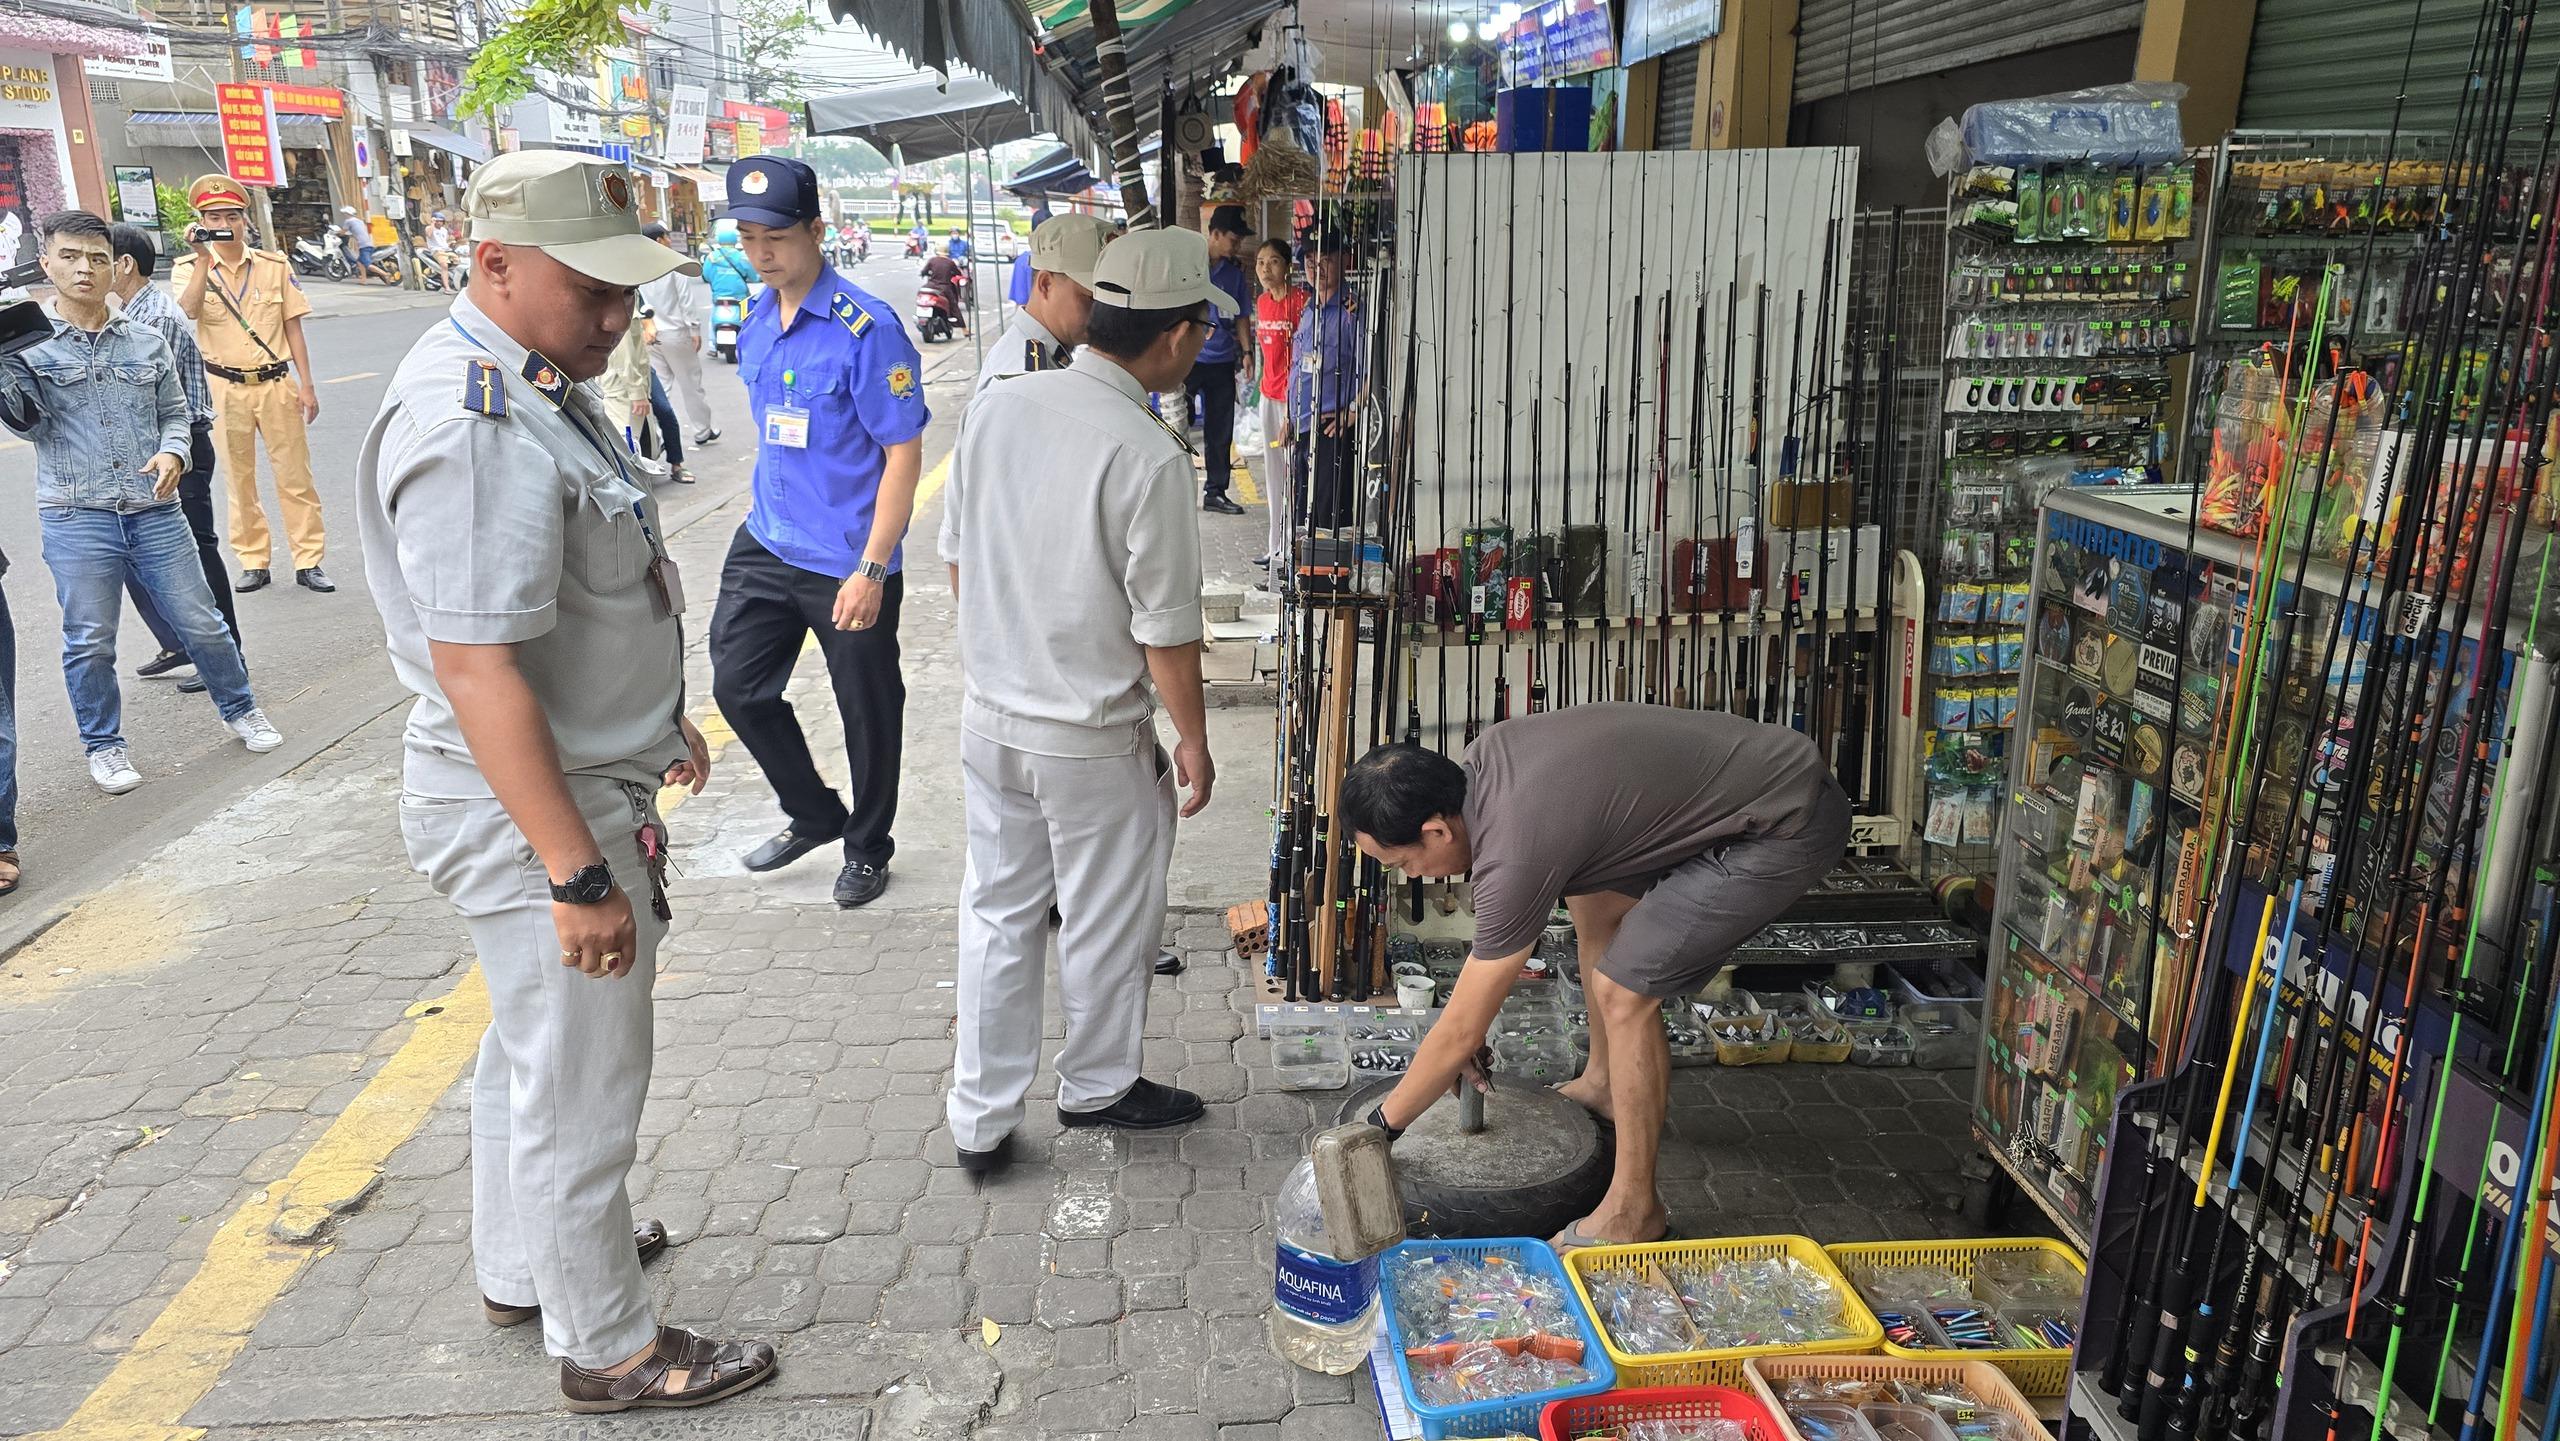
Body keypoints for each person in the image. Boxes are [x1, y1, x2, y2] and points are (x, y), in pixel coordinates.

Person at [355, 149, 775, 1414]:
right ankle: (608, 1343)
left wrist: (661, 728)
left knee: (528, 1056)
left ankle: (524, 1266)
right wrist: (577, 871)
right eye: (590, 289)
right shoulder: (473, 421)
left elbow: (587, 599)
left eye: (625, 291)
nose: (615, 316)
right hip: (539, 809)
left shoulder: (535, 379)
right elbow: (481, 668)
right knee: (582, 1086)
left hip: (578, 774)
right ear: (491, 265)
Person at [1339, 706, 1851, 1248]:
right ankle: (1606, 1084)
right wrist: (1467, 1024)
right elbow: (1481, 988)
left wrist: (1378, 1129)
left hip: (1786, 821)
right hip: (1761, 778)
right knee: (1594, 907)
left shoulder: (1516, 850)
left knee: (1624, 991)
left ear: (1437, 830)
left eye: (1402, 864)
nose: (1410, 876)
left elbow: (1462, 1030)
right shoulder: (1488, 764)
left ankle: (1634, 1211)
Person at [939, 226, 1226, 1175]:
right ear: (1177, 337)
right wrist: (1193, 738)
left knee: (998, 913)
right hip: (1091, 735)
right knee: (1106, 915)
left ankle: (979, 1117)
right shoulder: (1146, 454)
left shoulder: (1002, 405)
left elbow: (956, 559)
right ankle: (1098, 1084)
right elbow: (1166, 630)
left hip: (992, 719)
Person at [0, 211, 282, 796]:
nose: (85, 269)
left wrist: (175, 453)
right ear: (46, 262)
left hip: (155, 510)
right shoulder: (27, 346)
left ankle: (241, 708)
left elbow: (176, 414)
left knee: (202, 623)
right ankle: (104, 747)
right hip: (77, 515)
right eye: (72, 256)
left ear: (116, 266)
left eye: (98, 258)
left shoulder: (147, 340)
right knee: (90, 639)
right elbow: (25, 424)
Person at [712, 155, 926, 909]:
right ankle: (813, 813)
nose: (761, 252)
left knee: (868, 711)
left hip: (846, 555)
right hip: (768, 540)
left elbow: (903, 450)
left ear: (815, 230)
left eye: (775, 235)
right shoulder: (757, 322)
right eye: (747, 236)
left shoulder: (867, 330)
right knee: (736, 688)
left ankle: (867, 846)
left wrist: (872, 568)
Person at [171, 173, 333, 594]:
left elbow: (293, 327)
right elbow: (188, 311)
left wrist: (307, 384)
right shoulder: (188, 269)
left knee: (295, 476)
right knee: (238, 479)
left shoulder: (274, 266)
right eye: (214, 217)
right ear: (201, 222)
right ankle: (254, 559)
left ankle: (308, 559)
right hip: (223, 388)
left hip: (277, 383)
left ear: (245, 221)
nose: (225, 223)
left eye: (232, 216)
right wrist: (202, 258)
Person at [109, 221, 240, 694]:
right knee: (134, 554)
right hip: (158, 450)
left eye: (99, 258)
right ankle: (181, 641)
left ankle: (226, 654)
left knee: (195, 551)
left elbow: (156, 403)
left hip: (178, 448)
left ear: (123, 265)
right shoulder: (135, 310)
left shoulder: (152, 319)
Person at [973, 213, 1113, 401]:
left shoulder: (1048, 354)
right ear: (1046, 284)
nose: (1104, 311)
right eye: (1092, 298)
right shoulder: (1024, 378)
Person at [1291, 229, 1365, 531]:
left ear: (1343, 261)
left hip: (1331, 426)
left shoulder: (1352, 312)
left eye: (1325, 260)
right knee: (1300, 505)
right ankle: (1301, 574)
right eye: (1310, 260)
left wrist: (1354, 411)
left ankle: (1323, 578)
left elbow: (1371, 368)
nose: (1316, 269)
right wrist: (1288, 415)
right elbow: (1298, 364)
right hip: (1302, 423)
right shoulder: (1310, 308)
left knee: (1327, 510)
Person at [1189, 205, 1255, 516]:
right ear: (1213, 235)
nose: (1237, 245)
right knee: (1176, 424)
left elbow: (1241, 314)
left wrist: (1246, 351)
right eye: (1233, 238)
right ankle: (1175, 490)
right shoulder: (1188, 265)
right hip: (1188, 360)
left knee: (1220, 430)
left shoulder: (1233, 273)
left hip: (1221, 363)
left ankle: (1215, 492)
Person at [1248, 237, 1308, 571]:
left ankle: (1289, 546)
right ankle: (1274, 545)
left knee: (1290, 474)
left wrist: (1294, 408)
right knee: (1272, 474)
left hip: (1291, 401)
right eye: (1260, 262)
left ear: (1287, 267)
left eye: (1273, 261)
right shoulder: (1263, 302)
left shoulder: (1302, 301)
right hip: (1268, 397)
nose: (1265, 269)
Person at [637, 223, 717, 447]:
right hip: (675, 333)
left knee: (661, 387)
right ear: (659, 240)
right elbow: (686, 300)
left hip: (649, 333)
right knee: (691, 384)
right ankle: (702, 429)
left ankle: (657, 436)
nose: (670, 240)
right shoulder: (672, 263)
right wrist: (694, 329)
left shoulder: (636, 266)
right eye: (666, 236)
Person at [699, 219, 760, 305]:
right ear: (735, 240)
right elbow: (754, 277)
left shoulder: (711, 257)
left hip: (718, 298)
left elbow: (706, 275)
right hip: (740, 299)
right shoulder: (742, 257)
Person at [920, 246, 970, 336]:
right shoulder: (950, 262)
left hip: (931, 286)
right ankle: (964, 330)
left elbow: (924, 271)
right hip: (944, 288)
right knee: (954, 307)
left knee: (921, 294)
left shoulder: (932, 260)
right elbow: (957, 273)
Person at [338, 205, 374, 281]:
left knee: (367, 264)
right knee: (359, 262)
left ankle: (385, 274)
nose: (344, 215)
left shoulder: (348, 221)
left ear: (347, 213)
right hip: (369, 242)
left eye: (345, 213)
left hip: (363, 245)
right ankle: (363, 279)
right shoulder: (359, 221)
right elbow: (357, 232)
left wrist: (337, 233)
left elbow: (342, 232)